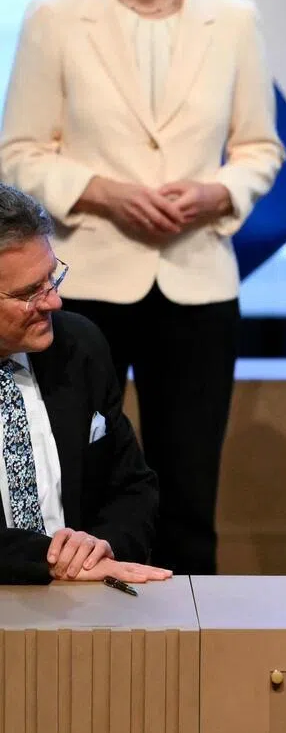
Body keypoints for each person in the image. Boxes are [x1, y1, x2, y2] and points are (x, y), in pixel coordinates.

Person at [0, 0, 284, 575]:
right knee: (87, 486)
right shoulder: (54, 18)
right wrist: (103, 191)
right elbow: (19, 154)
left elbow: (260, 148)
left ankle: (193, 657)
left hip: (196, 283)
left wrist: (214, 190)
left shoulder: (235, 19)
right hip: (83, 285)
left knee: (190, 491)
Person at [0, 184, 170, 586]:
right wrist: (48, 558)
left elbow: (132, 486)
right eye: (29, 293)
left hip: (87, 600)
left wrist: (99, 548)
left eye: (51, 279)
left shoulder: (78, 346)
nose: (54, 302)